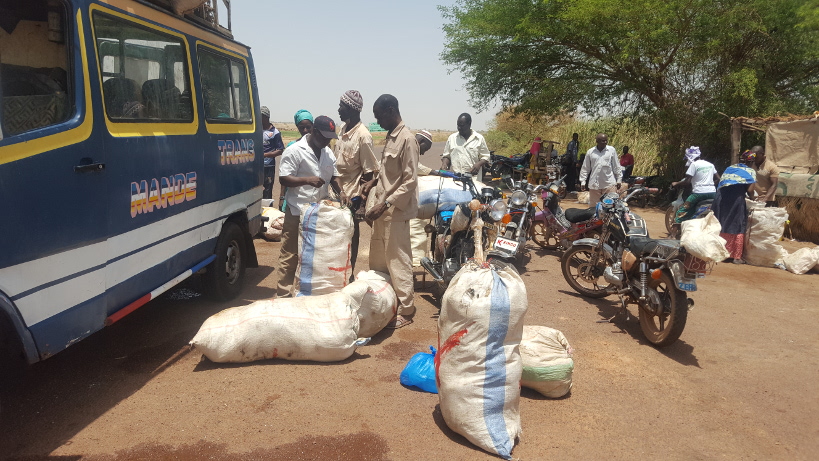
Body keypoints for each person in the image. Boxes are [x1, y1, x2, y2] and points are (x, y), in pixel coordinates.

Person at [274, 115, 346, 298]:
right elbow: (284, 178)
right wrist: (307, 180)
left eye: (330, 137)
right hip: (297, 211)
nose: (327, 141)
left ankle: (308, 294)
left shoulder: (328, 152)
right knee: (290, 255)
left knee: (315, 255)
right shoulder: (295, 150)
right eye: (324, 137)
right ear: (313, 131)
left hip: (318, 214)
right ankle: (283, 295)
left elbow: (334, 176)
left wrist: (342, 192)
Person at [364, 94, 419, 329]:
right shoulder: (390, 137)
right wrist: (372, 183)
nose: (377, 121)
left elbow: (410, 181)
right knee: (379, 260)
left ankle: (406, 309)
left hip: (395, 211)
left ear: (390, 110)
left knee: (398, 260)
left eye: (379, 116)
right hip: (382, 210)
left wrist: (385, 204)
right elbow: (388, 174)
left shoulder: (407, 139)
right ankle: (387, 300)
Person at [335, 90, 378, 279]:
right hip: (335, 193)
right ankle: (336, 274)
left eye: (341, 106)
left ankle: (348, 275)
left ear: (351, 110)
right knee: (335, 240)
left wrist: (361, 201)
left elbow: (369, 172)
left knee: (350, 239)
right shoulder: (342, 129)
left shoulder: (363, 136)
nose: (338, 110)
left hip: (351, 198)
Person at [712, 150, 757, 264]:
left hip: (720, 198)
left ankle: (722, 252)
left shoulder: (731, 168)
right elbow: (750, 190)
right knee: (737, 224)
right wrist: (753, 198)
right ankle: (736, 256)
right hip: (735, 199)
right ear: (751, 161)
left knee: (722, 223)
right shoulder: (750, 171)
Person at [672, 146, 720, 225]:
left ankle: (673, 235)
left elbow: (687, 182)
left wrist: (676, 183)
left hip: (698, 194)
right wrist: (709, 185)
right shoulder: (710, 164)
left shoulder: (694, 165)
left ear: (690, 157)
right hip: (712, 193)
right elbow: (718, 179)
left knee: (682, 211)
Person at [281, 110, 314, 211]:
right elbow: (284, 175)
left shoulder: (320, 147)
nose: (305, 130)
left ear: (313, 126)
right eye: (301, 127)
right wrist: (282, 197)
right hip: (293, 197)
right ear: (297, 128)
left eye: (308, 127)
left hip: (313, 198)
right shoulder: (291, 147)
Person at [441, 113, 490, 181]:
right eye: (458, 125)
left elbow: (486, 156)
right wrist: (444, 163)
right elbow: (446, 156)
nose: (459, 128)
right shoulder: (452, 138)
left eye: (462, 125)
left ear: (469, 124)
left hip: (473, 179)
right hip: (455, 179)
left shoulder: (479, 138)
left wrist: (478, 164)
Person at [578, 133, 622, 204]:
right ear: (597, 141)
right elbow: (585, 168)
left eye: (606, 141)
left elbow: (616, 166)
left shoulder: (611, 150)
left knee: (609, 207)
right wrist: (583, 181)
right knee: (594, 208)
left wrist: (619, 179)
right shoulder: (590, 152)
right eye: (602, 141)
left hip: (609, 184)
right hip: (594, 185)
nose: (605, 142)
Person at [261, 106, 284, 200]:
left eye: (260, 116)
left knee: (267, 190)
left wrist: (265, 155)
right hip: (256, 166)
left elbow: (280, 150)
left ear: (266, 117)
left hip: (268, 166)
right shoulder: (256, 130)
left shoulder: (275, 132)